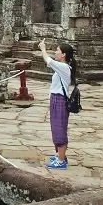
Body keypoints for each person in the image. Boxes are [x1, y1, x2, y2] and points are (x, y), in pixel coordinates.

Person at [38, 39, 77, 169]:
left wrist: (43, 48)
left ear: (64, 54)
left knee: (60, 128)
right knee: (56, 127)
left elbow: (48, 60)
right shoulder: (62, 67)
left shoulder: (64, 67)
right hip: (56, 99)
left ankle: (61, 160)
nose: (55, 52)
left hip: (60, 100)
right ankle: (59, 154)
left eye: (57, 51)